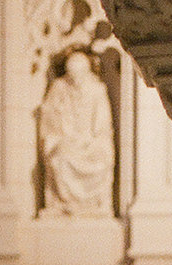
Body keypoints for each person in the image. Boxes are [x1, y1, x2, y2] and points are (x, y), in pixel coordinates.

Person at [36, 45, 115, 217]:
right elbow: (49, 118)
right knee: (59, 156)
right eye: (72, 75)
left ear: (87, 71)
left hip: (90, 142)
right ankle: (64, 204)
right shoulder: (59, 87)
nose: (76, 79)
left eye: (80, 74)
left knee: (103, 155)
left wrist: (88, 140)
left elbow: (103, 125)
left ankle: (95, 205)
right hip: (67, 141)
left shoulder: (97, 89)